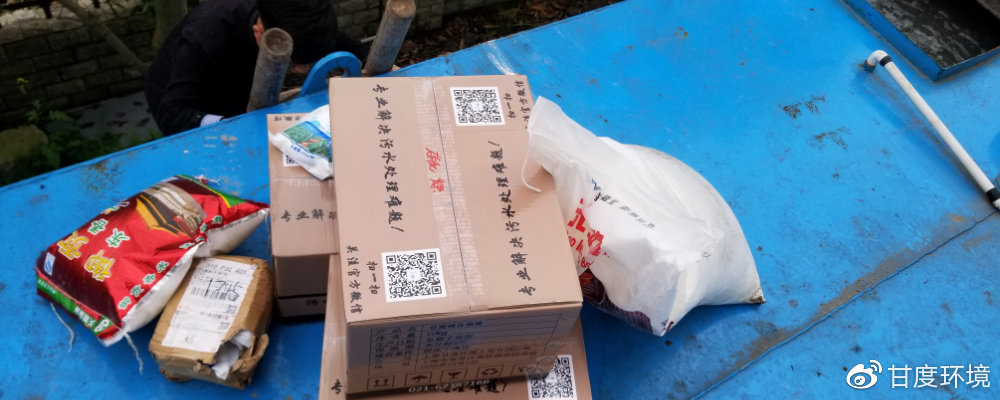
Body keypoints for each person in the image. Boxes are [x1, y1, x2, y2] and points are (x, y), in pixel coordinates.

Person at [144, 0, 368, 136]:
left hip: (242, 81)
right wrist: (231, 125)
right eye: (293, 63)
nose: (301, 71)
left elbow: (358, 51)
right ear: (259, 32)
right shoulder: (207, 37)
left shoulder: (302, 23)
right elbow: (171, 113)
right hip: (188, 94)